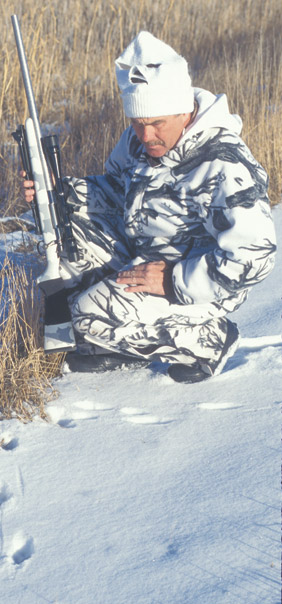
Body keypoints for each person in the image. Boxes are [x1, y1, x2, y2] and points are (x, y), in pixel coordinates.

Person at [22, 31, 276, 383]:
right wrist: (58, 192)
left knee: (84, 316)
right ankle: (114, 341)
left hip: (199, 284)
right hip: (145, 255)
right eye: (138, 124)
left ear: (184, 110)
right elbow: (113, 190)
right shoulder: (138, 140)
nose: (146, 137)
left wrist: (174, 280)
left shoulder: (224, 165)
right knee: (65, 228)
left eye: (157, 123)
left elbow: (254, 257)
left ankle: (209, 341)